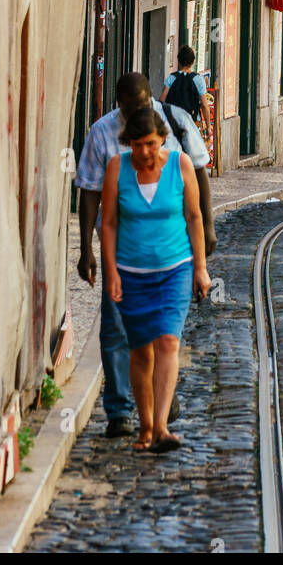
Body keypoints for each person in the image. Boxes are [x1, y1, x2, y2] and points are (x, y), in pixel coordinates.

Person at [75, 71, 215, 438]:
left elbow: (198, 174)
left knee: (165, 336)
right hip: (125, 255)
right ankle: (121, 410)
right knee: (118, 332)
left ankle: (159, 410)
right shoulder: (102, 135)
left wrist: (205, 243)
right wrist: (87, 250)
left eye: (142, 105)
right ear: (118, 105)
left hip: (172, 257)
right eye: (129, 108)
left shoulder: (174, 120)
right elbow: (89, 193)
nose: (136, 112)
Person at [101, 107, 211, 452]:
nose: (145, 151)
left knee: (167, 342)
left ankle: (161, 426)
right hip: (132, 273)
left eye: (150, 143)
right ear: (128, 143)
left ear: (162, 139)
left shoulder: (179, 166)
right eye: (137, 144)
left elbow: (194, 217)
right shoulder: (118, 168)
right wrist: (112, 273)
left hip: (174, 269)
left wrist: (200, 267)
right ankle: (145, 426)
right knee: (140, 353)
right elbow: (108, 224)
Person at [160, 45, 211, 141]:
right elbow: (204, 105)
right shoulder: (198, 79)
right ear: (193, 62)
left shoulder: (172, 78)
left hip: (174, 123)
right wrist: (208, 127)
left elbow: (162, 100)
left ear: (178, 61)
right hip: (193, 123)